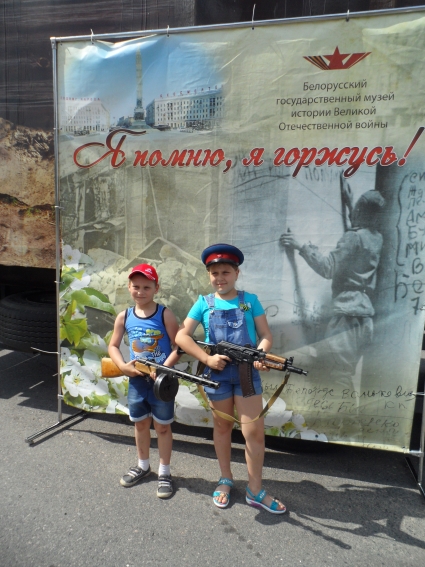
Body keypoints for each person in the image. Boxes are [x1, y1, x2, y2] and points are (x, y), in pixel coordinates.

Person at [175, 244, 286, 514]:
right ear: (209, 276)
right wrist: (206, 360)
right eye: (214, 273)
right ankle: (225, 478)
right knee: (222, 427)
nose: (220, 278)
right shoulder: (204, 303)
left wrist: (260, 355)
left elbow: (266, 335)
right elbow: (181, 336)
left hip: (247, 374)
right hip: (219, 375)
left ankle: (255, 490)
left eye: (226, 272)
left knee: (253, 432)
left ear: (237, 273)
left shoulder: (250, 301)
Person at [279, 187, 385, 395]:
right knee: (342, 374)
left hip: (346, 316)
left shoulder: (353, 237)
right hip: (364, 317)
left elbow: (328, 268)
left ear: (361, 211)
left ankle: (349, 418)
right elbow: (359, 234)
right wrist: (350, 204)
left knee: (338, 376)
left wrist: (300, 246)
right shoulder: (376, 238)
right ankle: (348, 416)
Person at [108, 263, 180, 498]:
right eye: (136, 286)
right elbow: (113, 346)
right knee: (140, 424)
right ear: (129, 287)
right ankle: (143, 466)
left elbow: (179, 346)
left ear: (156, 288)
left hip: (162, 383)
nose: (141, 291)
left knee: (162, 427)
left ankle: (164, 472)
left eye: (146, 287)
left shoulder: (165, 314)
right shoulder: (124, 316)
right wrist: (122, 366)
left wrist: (163, 368)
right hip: (137, 381)